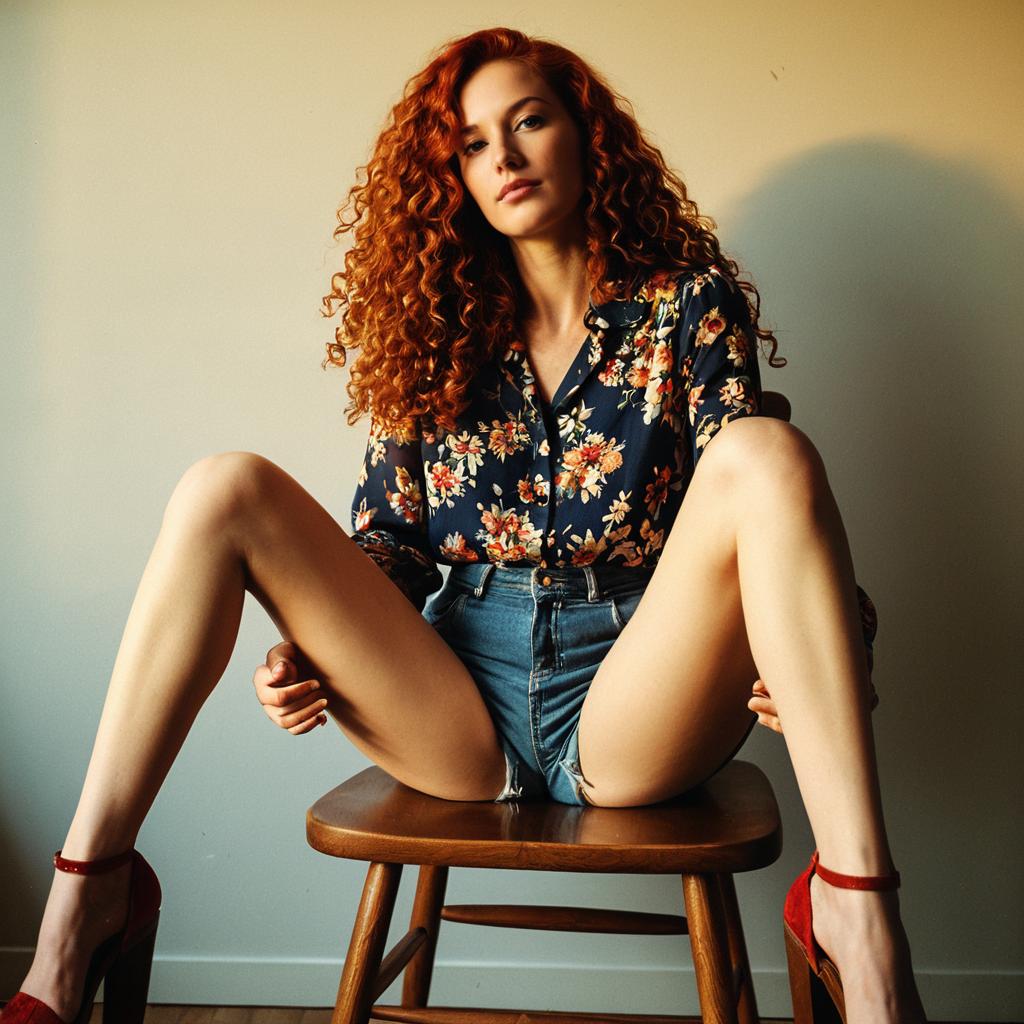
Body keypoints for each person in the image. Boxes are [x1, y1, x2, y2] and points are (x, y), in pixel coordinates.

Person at [2, 25, 926, 1024]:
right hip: (454, 707)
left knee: (766, 451)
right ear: (454, 179)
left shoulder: (684, 307)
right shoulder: (433, 332)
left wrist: (840, 640)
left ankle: (857, 912)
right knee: (222, 486)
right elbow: (392, 544)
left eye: (528, 120)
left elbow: (756, 505)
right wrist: (314, 650)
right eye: (474, 144)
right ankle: (88, 892)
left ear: (587, 137)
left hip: (636, 692)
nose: (506, 156)